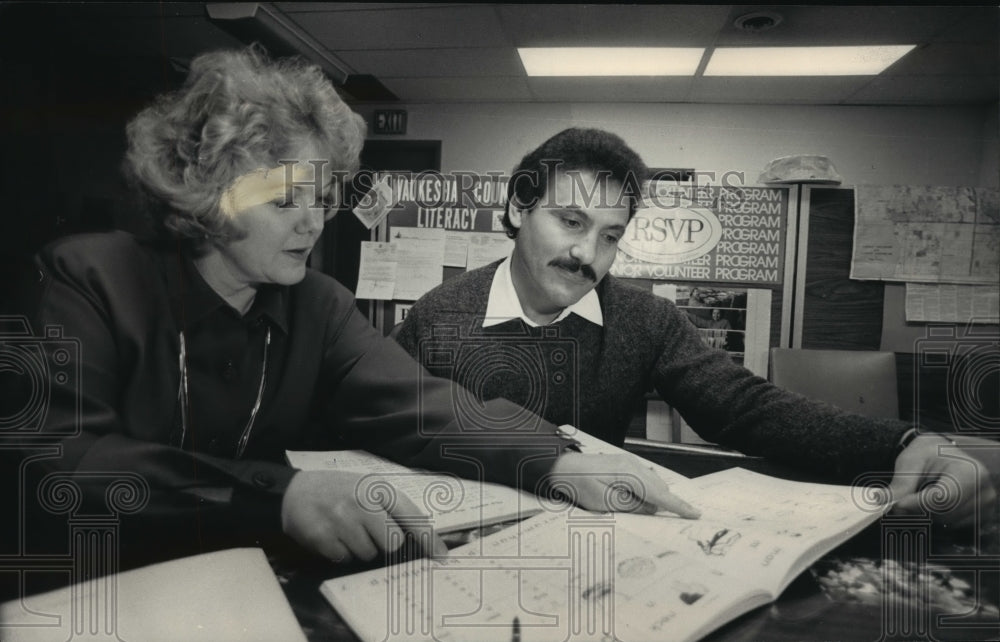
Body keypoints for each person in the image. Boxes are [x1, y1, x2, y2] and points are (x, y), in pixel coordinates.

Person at [13, 52, 697, 574]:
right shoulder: (89, 276)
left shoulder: (318, 304)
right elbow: (59, 462)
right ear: (204, 193)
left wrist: (558, 462)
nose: (311, 224)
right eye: (285, 201)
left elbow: (425, 406)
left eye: (323, 199)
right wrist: (277, 497)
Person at [395, 127, 997, 527]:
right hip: (460, 545)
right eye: (570, 221)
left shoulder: (645, 320)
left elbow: (745, 407)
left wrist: (899, 443)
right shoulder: (437, 314)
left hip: (604, 549)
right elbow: (378, 422)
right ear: (516, 210)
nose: (587, 255)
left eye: (610, 235)